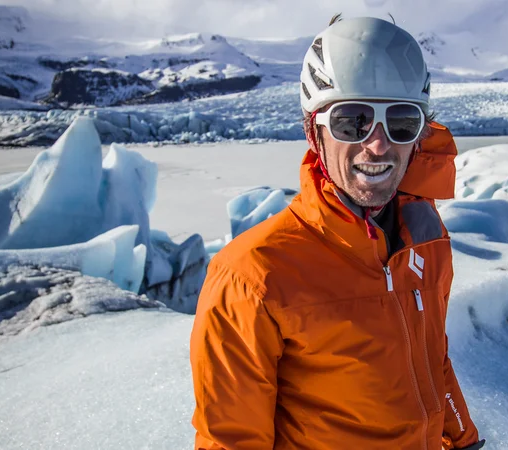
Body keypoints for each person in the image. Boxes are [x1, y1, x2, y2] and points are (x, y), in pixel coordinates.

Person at [190, 15, 485, 450]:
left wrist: (465, 441)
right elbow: (230, 441)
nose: (379, 145)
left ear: (420, 135)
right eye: (353, 122)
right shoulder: (252, 277)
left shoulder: (426, 239)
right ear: (315, 131)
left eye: (402, 122)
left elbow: (432, 362)